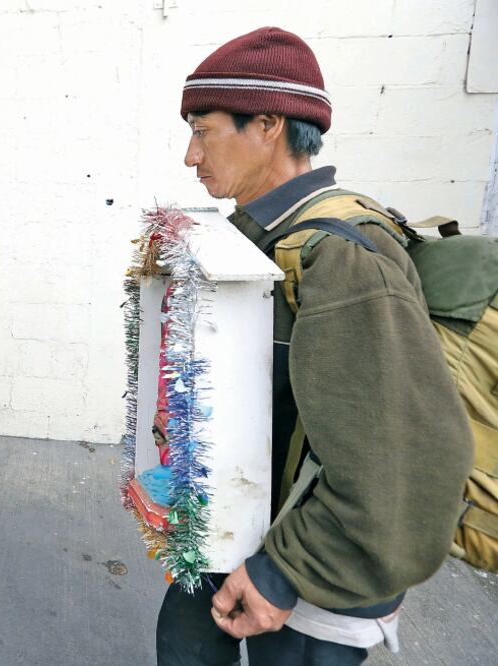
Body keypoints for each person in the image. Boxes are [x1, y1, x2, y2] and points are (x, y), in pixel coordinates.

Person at [156, 27, 473, 665]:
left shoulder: (345, 257)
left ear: (268, 123)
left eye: (203, 129)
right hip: (239, 540)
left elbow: (409, 463)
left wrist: (282, 573)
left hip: (311, 584)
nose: (191, 156)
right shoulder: (257, 234)